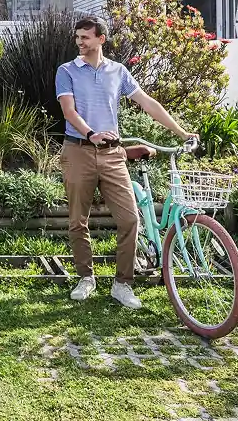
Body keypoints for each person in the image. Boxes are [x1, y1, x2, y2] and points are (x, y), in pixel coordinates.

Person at [55, 15, 197, 310]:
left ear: (101, 39)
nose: (80, 42)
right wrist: (91, 134)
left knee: (130, 219)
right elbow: (69, 111)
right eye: (77, 37)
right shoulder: (67, 70)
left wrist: (182, 132)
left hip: (113, 154)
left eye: (85, 37)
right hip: (78, 151)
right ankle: (86, 278)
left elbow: (147, 103)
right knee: (78, 220)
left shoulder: (118, 71)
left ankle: (122, 284)